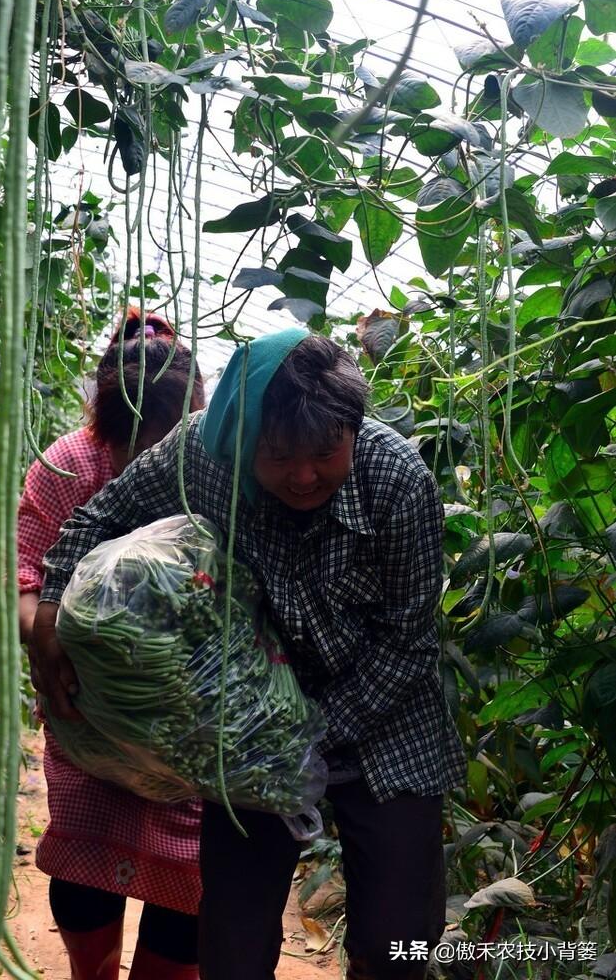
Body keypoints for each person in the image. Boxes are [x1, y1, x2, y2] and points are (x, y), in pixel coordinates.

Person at [33, 328, 468, 980]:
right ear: (243, 444)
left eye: (324, 453)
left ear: (353, 429)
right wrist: (48, 619)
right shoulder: (205, 455)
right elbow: (96, 519)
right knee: (230, 943)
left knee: (396, 940)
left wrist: (310, 739)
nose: (302, 475)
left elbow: (405, 646)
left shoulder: (397, 483)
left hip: (384, 724)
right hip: (254, 727)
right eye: (277, 456)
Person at [17, 309, 206, 980]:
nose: (148, 470)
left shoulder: (219, 467)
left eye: (166, 452)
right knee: (86, 852)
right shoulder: (66, 467)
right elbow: (24, 577)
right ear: (104, 430)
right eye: (134, 452)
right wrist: (48, 642)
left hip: (191, 725)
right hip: (86, 714)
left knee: (190, 869)